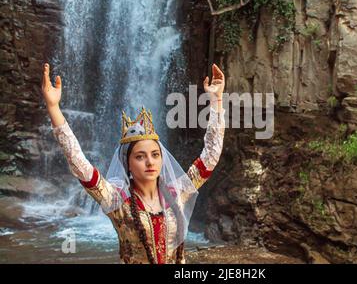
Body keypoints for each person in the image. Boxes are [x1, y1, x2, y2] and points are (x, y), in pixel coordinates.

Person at [41, 62, 225, 264]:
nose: (149, 161)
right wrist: (53, 107)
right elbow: (77, 161)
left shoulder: (177, 192)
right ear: (127, 163)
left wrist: (216, 101)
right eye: (140, 156)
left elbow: (210, 156)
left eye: (155, 154)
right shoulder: (116, 200)